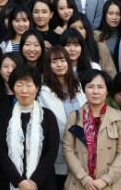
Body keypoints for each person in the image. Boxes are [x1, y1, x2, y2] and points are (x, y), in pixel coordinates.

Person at [62, 69, 121, 190]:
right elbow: (68, 150)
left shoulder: (118, 117)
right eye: (90, 87)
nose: (95, 91)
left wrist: (105, 180)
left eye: (100, 87)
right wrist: (84, 179)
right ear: (84, 89)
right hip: (79, 183)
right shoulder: (74, 117)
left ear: (107, 90)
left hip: (110, 185)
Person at [0, 65, 60, 190]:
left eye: (29, 85)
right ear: (13, 88)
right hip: (10, 182)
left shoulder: (48, 116)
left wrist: (34, 181)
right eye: (19, 85)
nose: (24, 90)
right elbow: (1, 151)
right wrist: (19, 181)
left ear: (37, 88)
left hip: (42, 183)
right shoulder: (5, 116)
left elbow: (52, 151)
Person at [37, 46, 85, 187]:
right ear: (48, 65)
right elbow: (57, 124)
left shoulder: (78, 87)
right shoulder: (45, 92)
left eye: (62, 60)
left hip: (83, 150)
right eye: (54, 61)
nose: (59, 65)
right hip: (60, 152)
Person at [95, 0, 121, 65]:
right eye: (110, 13)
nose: (114, 17)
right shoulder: (96, 35)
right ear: (105, 15)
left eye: (118, 14)